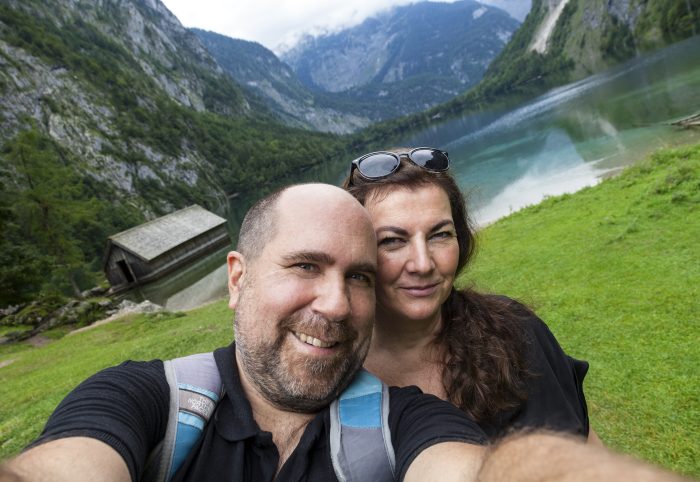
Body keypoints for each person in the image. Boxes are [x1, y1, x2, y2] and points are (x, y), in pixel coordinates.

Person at [3, 184, 689, 482]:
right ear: (237, 277)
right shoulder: (145, 402)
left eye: (358, 276)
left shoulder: (401, 419)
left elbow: (481, 468)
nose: (334, 304)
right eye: (305, 265)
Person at [342, 147, 599, 441]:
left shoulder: (516, 331)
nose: (423, 264)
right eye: (392, 241)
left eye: (440, 234)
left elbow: (586, 445)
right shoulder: (331, 376)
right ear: (354, 254)